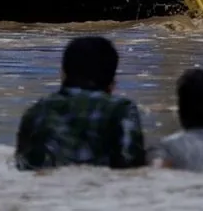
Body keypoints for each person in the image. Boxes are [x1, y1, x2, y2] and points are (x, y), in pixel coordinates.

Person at [15, 36, 146, 171]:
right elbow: (132, 164)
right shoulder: (121, 109)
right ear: (112, 80)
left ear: (63, 73)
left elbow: (22, 165)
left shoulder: (36, 110)